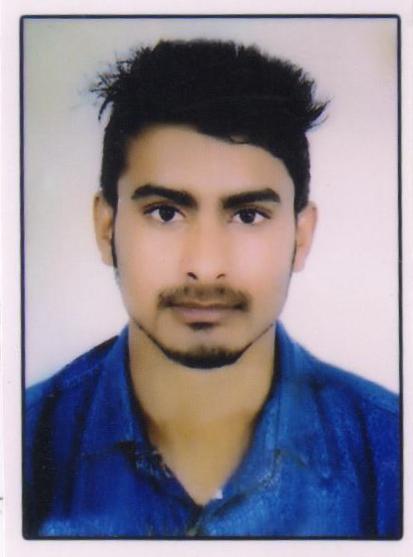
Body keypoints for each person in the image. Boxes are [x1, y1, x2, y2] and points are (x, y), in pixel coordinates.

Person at [24, 39, 401, 538]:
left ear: (301, 236)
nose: (205, 267)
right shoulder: (20, 445)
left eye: (248, 215)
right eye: (165, 213)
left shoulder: (392, 456)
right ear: (106, 228)